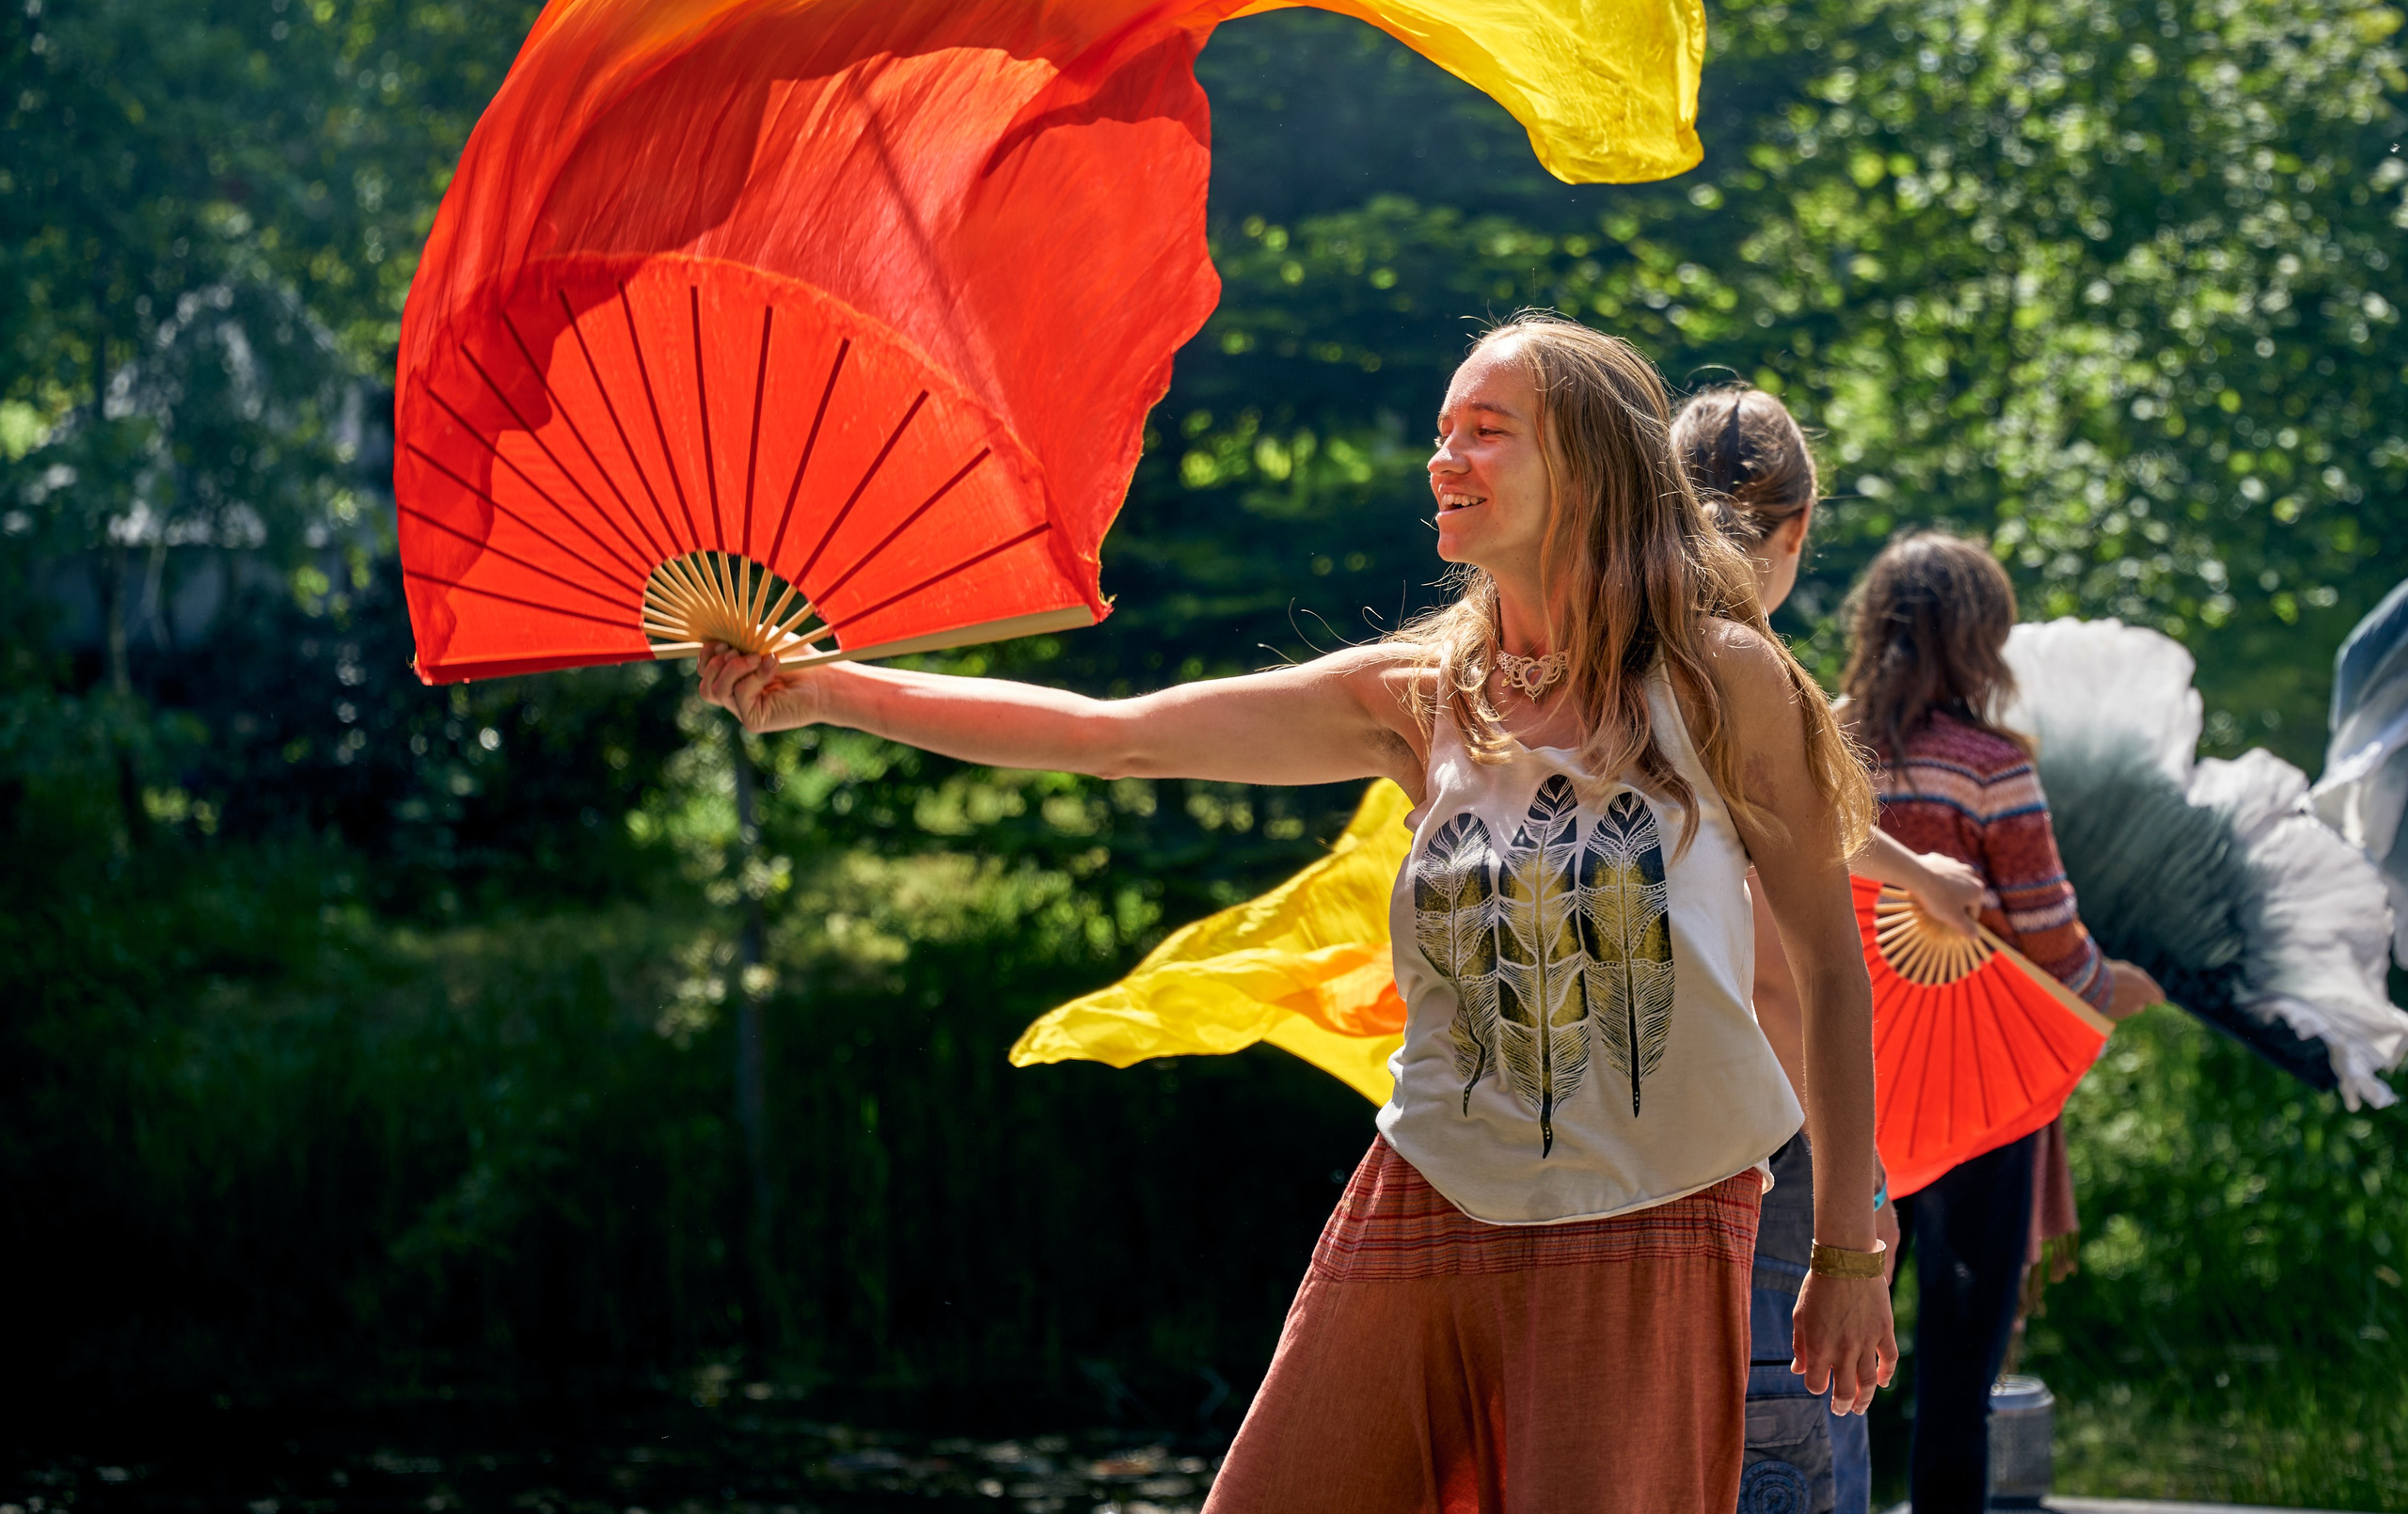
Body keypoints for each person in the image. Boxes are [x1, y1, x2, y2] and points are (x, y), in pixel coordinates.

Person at [702, 315, 1898, 1514]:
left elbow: (1830, 970)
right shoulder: (1423, 698)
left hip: (1651, 1219)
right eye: (1440, 433)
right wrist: (827, 689)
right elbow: (1114, 737)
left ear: (1589, 463)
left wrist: (1846, 1249)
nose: (1444, 460)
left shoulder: (1721, 678)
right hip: (1428, 1187)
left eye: (1485, 432)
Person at [1671, 387, 1986, 1514]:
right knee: (1790, 1449)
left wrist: (1914, 876)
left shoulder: (1606, 668)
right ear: (1798, 530)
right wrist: (1856, 1211)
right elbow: (1780, 979)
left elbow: (1809, 825)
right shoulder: (1757, 679)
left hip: (1626, 1138)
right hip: (1768, 1153)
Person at [1834, 532, 2162, 1514]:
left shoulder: (1817, 745)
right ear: (1980, 641)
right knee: (1958, 1359)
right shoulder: (1991, 767)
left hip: (1836, 1080)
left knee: (1823, 1349)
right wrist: (2139, 986)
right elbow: (2058, 953)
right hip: (1970, 1088)